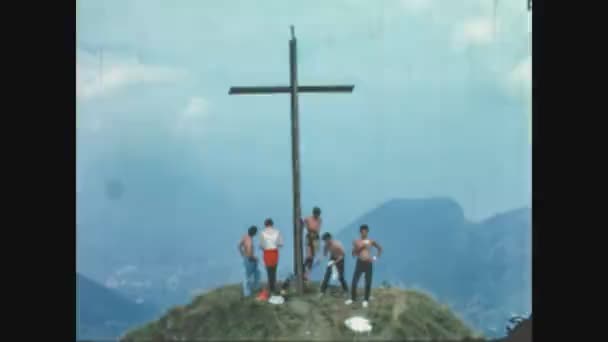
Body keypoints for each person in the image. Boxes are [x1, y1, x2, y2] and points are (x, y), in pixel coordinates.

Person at [345, 224, 383, 308]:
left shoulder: (371, 241)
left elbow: (380, 248)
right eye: (362, 232)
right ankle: (353, 298)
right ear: (360, 232)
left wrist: (375, 257)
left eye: (365, 232)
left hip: (368, 262)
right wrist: (361, 247)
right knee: (354, 281)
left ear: (367, 232)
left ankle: (366, 299)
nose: (364, 233)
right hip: (360, 262)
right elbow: (353, 253)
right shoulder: (356, 241)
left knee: (368, 282)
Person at [260, 218, 283, 295]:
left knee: (269, 271)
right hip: (274, 252)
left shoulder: (262, 232)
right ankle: (273, 287)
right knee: (274, 270)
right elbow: (280, 244)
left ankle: (271, 288)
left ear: (265, 224)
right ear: (272, 224)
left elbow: (262, 245)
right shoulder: (277, 232)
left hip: (267, 252)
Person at [238, 225, 261, 297]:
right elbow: (249, 250)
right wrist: (253, 257)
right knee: (248, 276)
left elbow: (239, 245)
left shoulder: (245, 237)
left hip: (247, 258)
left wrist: (242, 253)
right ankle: (248, 293)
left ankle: (253, 289)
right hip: (249, 258)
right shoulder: (249, 239)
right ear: (254, 232)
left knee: (256, 273)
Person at [302, 206, 322, 280]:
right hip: (309, 236)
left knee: (312, 257)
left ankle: (307, 274)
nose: (317, 215)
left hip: (315, 237)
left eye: (318, 214)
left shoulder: (319, 220)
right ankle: (303, 270)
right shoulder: (308, 218)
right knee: (308, 256)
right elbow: (304, 225)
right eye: (316, 214)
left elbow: (316, 229)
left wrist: (310, 228)